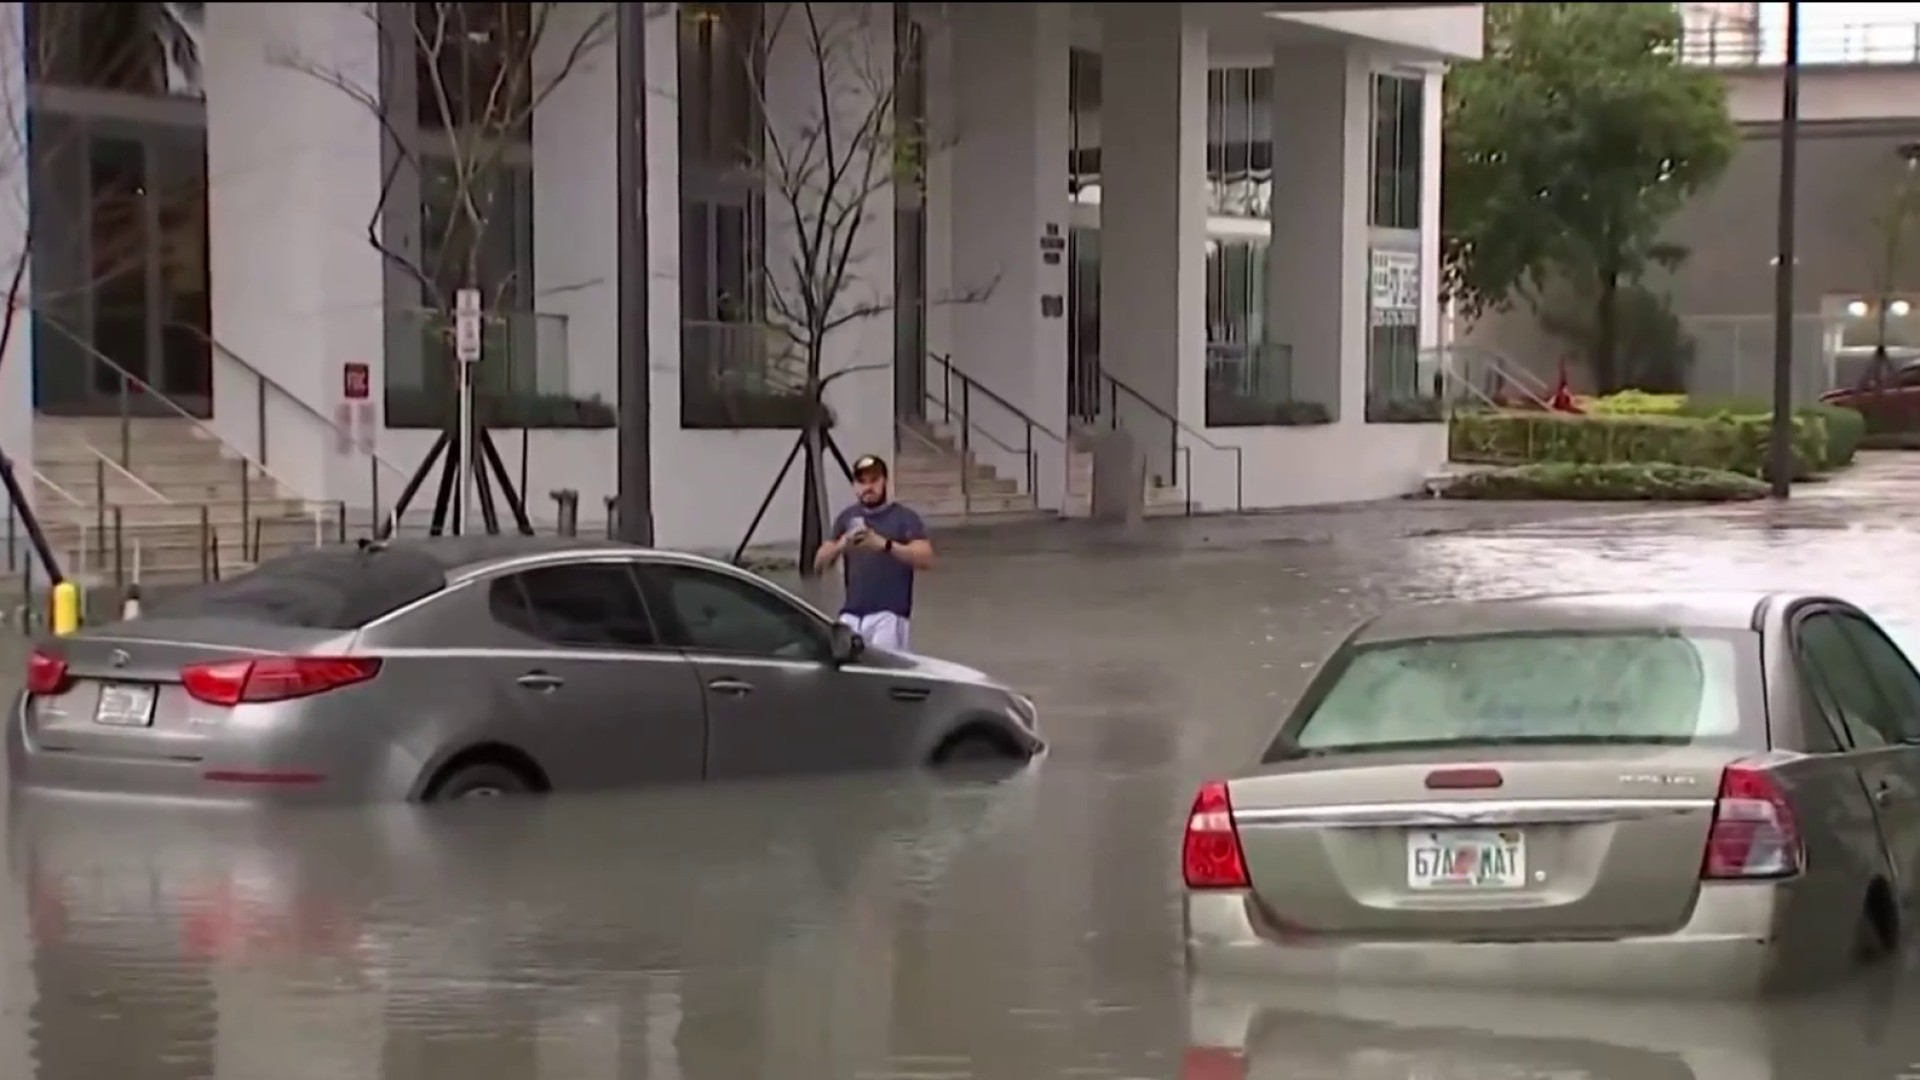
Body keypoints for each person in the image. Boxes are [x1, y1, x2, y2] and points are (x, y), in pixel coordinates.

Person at [813, 454, 934, 653]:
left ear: (884, 481)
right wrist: (842, 544)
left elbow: (926, 558)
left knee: (883, 673)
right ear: (854, 486)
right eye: (861, 481)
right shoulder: (846, 517)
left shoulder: (904, 517)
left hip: (890, 614)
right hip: (851, 614)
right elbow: (818, 564)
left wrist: (885, 545)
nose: (868, 487)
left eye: (874, 480)